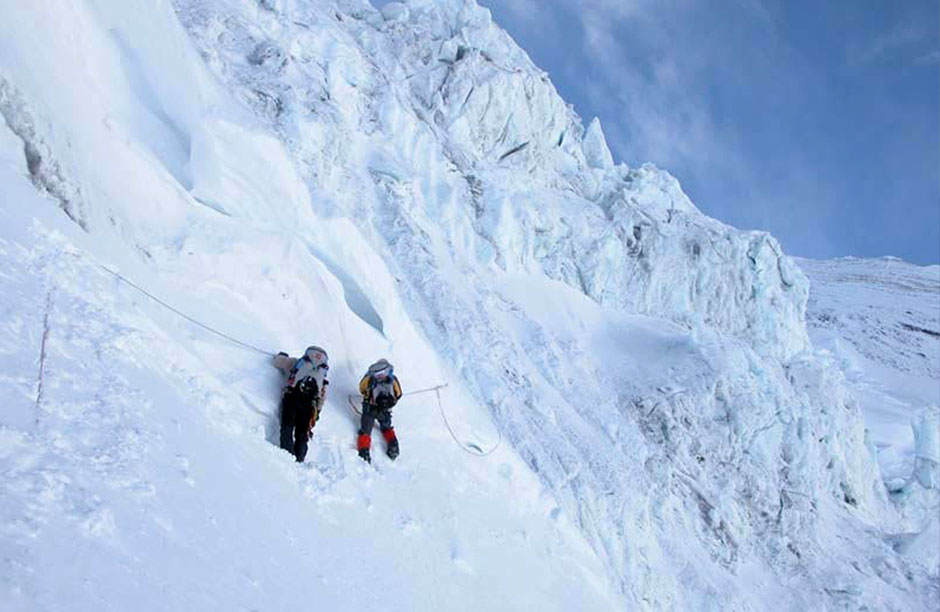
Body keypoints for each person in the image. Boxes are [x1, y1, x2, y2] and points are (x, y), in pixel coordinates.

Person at [273, 346, 329, 462]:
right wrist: (316, 413)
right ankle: (299, 459)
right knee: (302, 435)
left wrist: (281, 355)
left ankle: (288, 457)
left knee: (287, 428)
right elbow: (322, 398)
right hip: (309, 405)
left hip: (291, 399)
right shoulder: (322, 376)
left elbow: (278, 362)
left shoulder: (297, 363)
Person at [356, 359, 402, 463]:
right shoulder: (392, 379)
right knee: (387, 428)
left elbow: (362, 390)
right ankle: (393, 446)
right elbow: (398, 394)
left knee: (365, 431)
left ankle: (364, 451)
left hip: (370, 408)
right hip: (385, 410)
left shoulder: (370, 377)